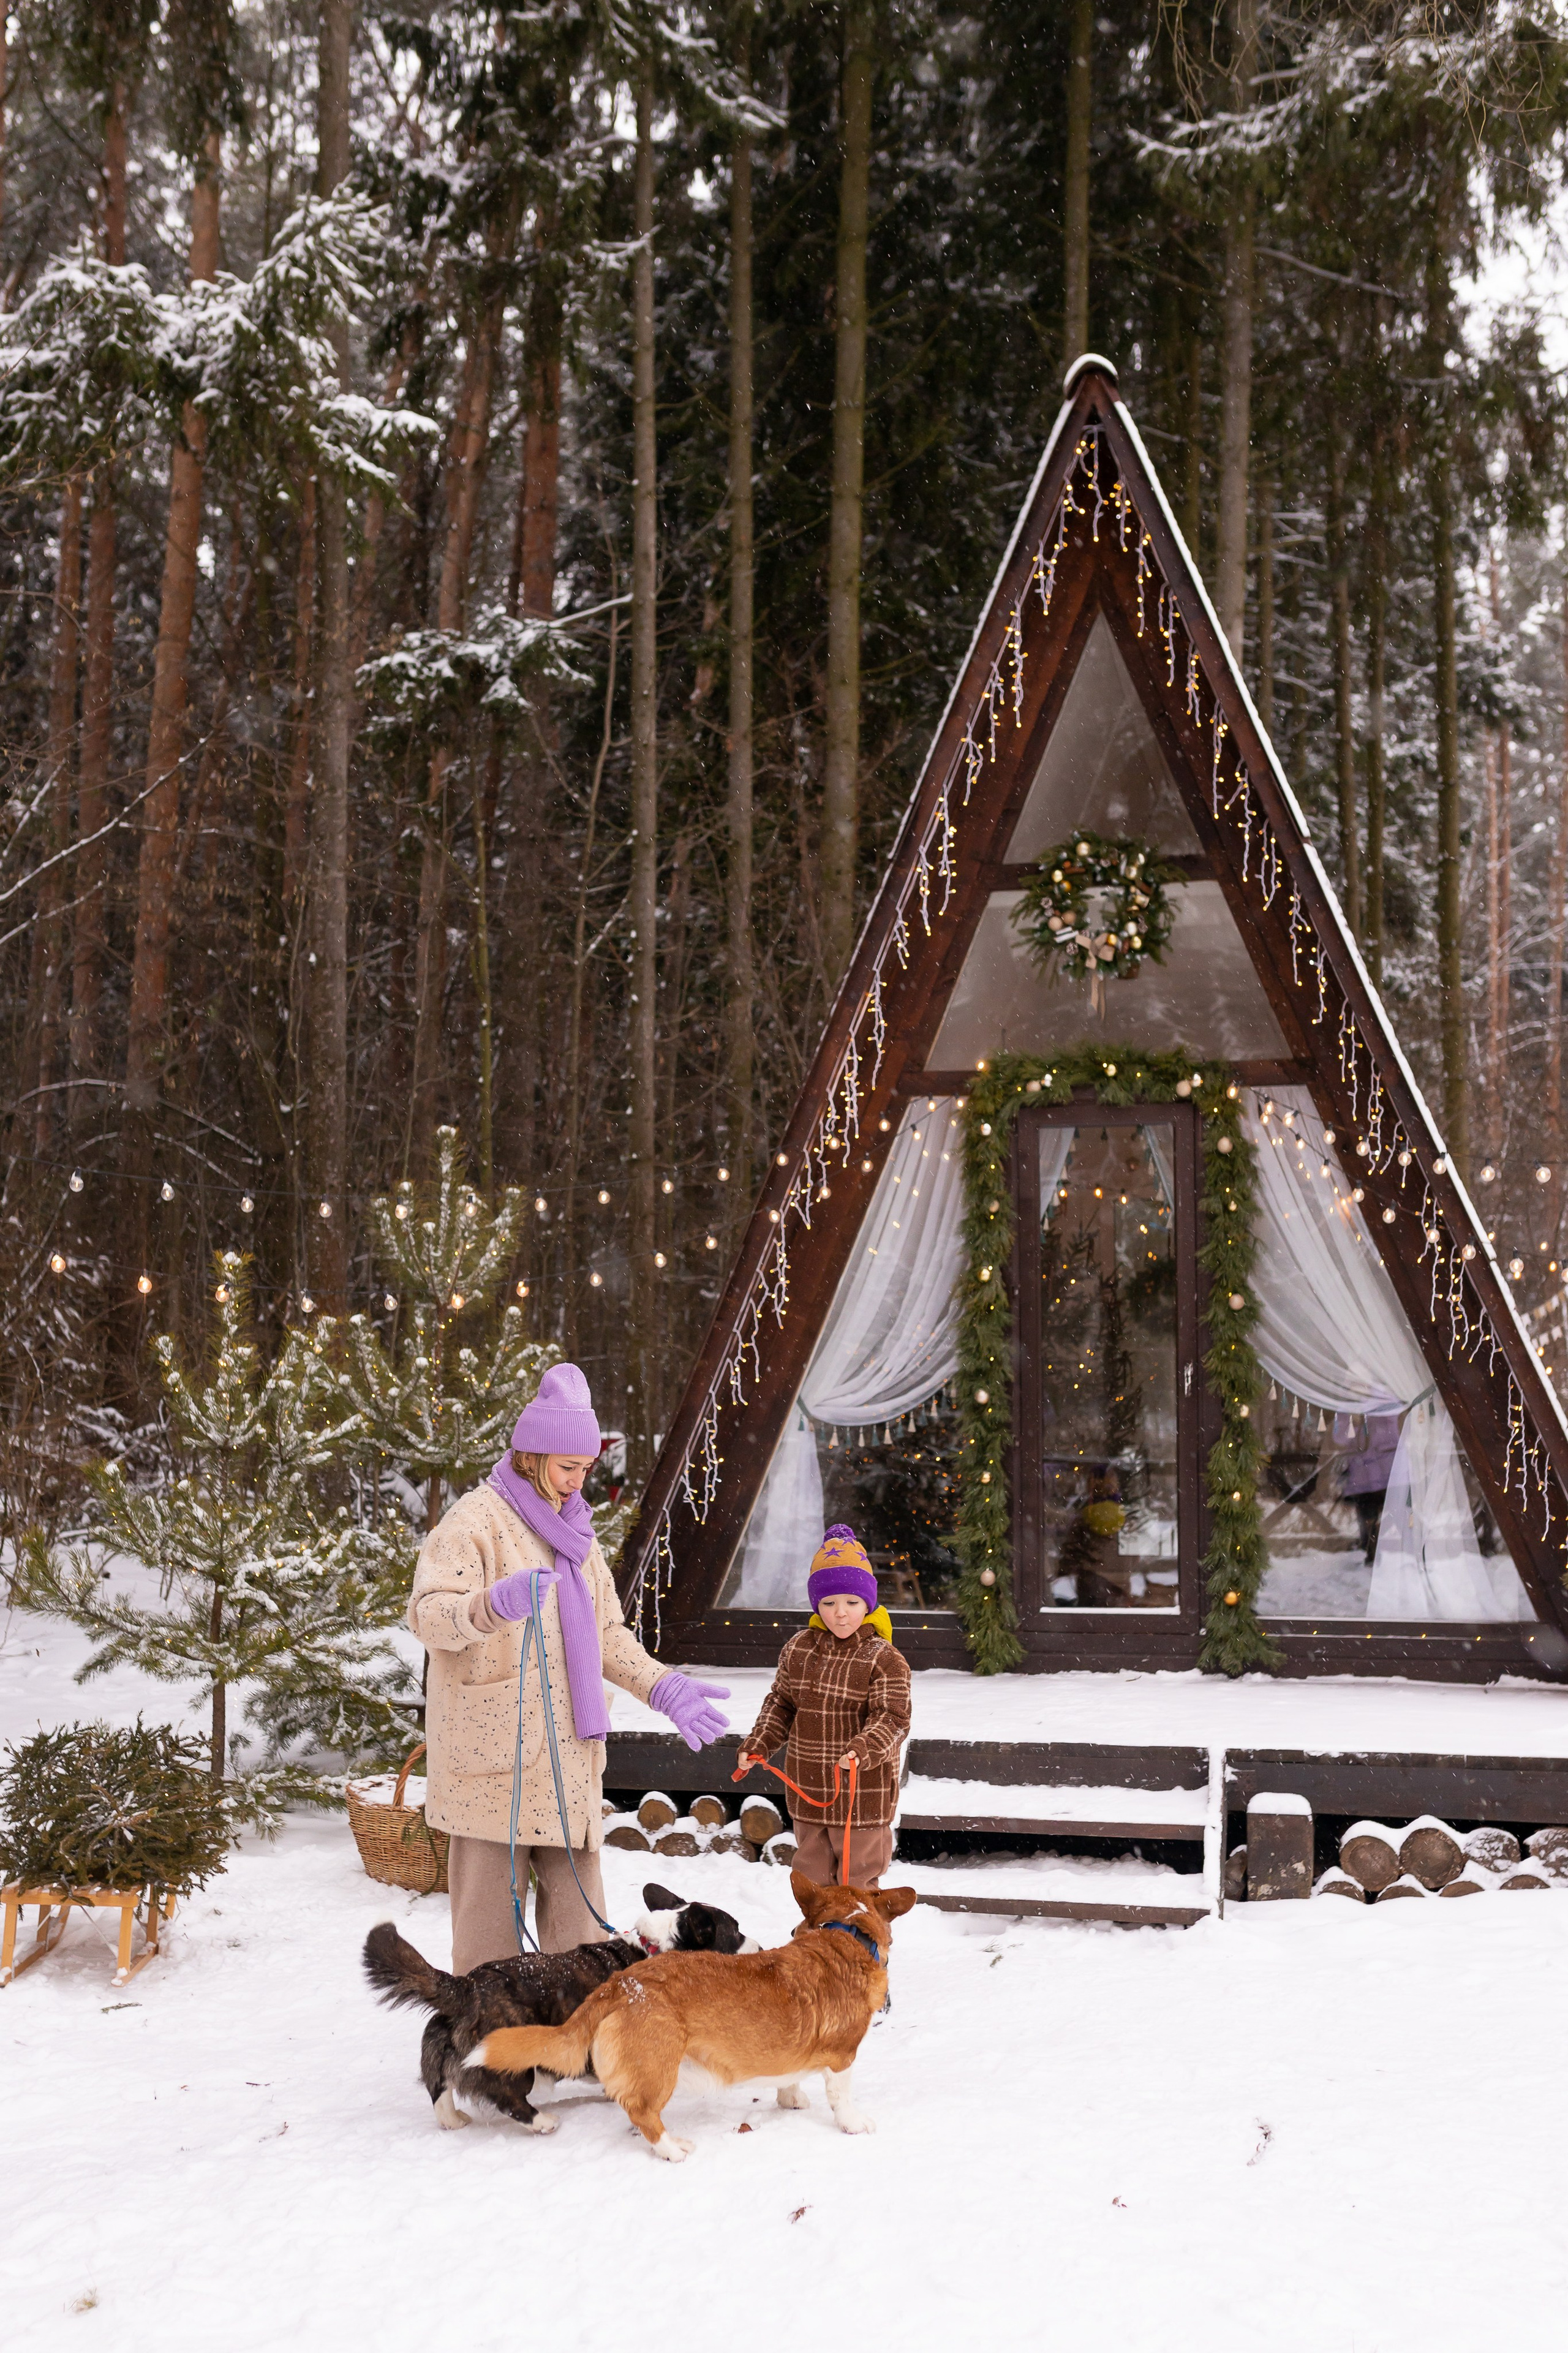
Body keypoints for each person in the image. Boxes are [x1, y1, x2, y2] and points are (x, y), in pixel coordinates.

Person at [407, 1362, 729, 1970]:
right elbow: (429, 1617)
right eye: (568, 1468)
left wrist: (660, 1685)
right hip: (491, 1764)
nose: (579, 1482)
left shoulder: (578, 1534)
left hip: (565, 1765)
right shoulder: (474, 1522)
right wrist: (487, 1606)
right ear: (531, 1455)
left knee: (580, 1941)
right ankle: (491, 2058)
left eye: (586, 1469)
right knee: (487, 1946)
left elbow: (606, 1630)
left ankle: (574, 2050)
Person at [737, 1524, 911, 1890]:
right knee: (811, 1882)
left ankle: (861, 1945)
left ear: (869, 1603)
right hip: (809, 1788)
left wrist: (864, 1748)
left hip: (863, 1795)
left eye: (852, 1602)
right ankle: (817, 1942)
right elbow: (782, 1704)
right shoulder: (800, 1649)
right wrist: (759, 1743)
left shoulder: (884, 1658)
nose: (841, 1614)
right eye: (829, 1603)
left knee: (857, 1883)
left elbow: (893, 1718)